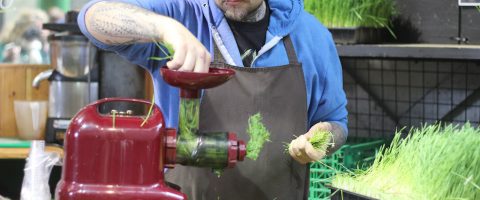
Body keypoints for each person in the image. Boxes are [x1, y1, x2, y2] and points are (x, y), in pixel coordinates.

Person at [78, 0, 348, 199]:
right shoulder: (183, 14)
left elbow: (336, 122)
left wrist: (324, 137)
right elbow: (92, 18)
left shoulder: (313, 37)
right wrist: (165, 28)